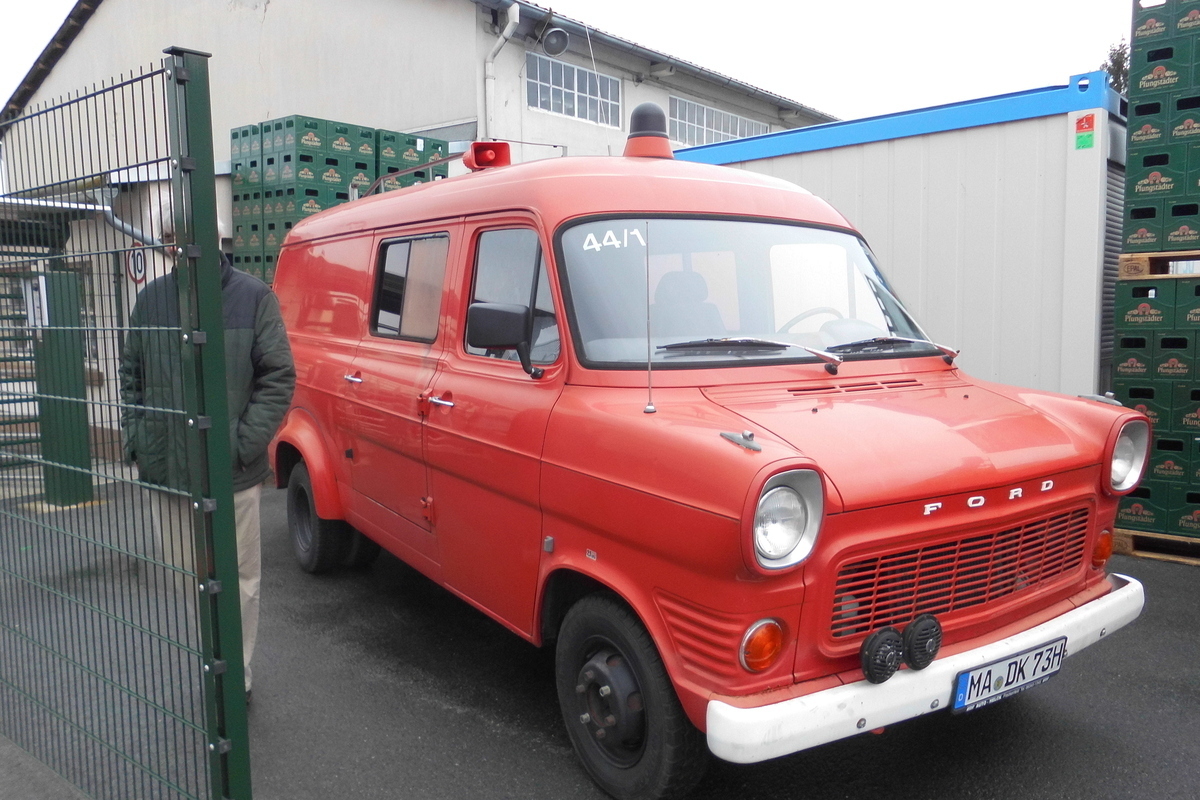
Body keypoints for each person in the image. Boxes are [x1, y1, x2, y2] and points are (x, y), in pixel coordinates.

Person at [119, 250, 294, 702]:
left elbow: (278, 375)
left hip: (232, 472)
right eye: (168, 236)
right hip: (169, 470)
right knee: (189, 576)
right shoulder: (150, 300)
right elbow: (131, 374)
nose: (176, 243)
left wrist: (241, 444)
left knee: (239, 577)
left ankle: (235, 675)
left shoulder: (253, 297)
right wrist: (139, 438)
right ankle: (214, 657)